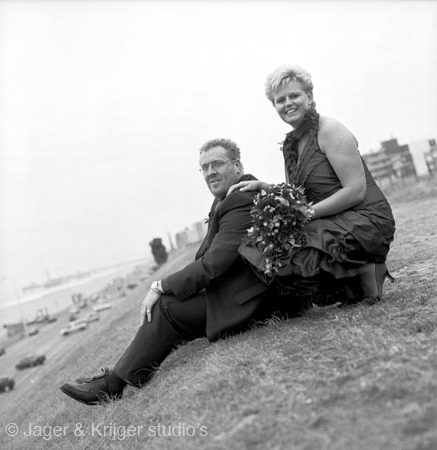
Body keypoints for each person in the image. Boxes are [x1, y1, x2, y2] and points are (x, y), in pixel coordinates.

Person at [59, 138, 297, 406]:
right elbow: (207, 259)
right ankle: (122, 371)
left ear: (238, 166)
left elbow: (214, 264)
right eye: (204, 168)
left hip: (253, 300)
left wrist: (160, 285)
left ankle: (112, 385)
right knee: (171, 304)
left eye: (217, 164)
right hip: (242, 290)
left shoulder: (240, 200)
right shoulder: (227, 198)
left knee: (166, 308)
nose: (210, 173)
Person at [229, 64, 395, 306]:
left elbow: (355, 191)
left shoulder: (330, 130)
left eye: (294, 95)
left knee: (299, 244)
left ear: (309, 96)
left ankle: (367, 269)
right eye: (280, 100)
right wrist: (266, 187)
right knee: (266, 247)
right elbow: (298, 196)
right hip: (331, 220)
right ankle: (355, 282)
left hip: (366, 219)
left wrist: (306, 214)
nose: (288, 103)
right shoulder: (290, 144)